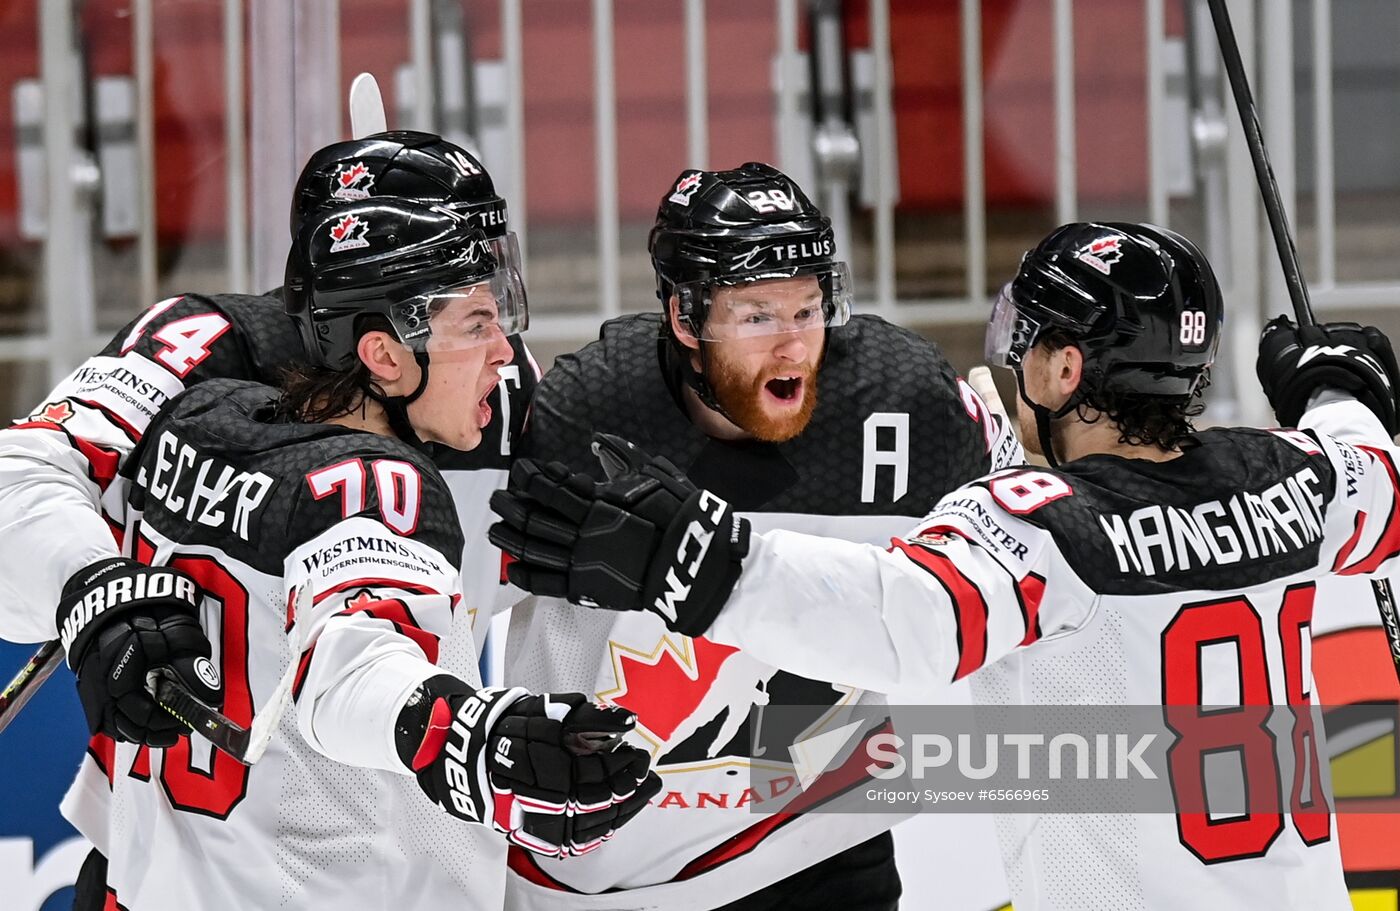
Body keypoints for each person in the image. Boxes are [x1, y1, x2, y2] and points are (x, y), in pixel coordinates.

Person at [491, 220, 1400, 909]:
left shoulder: (1047, 529)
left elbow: (902, 622)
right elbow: (1375, 472)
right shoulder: (1301, 478)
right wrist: (1340, 384)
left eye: (1026, 333)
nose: (1008, 352)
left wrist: (691, 559)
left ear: (1063, 369)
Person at [55, 197, 659, 910]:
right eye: (476, 323)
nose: (506, 351)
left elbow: (40, 476)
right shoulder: (379, 480)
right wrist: (459, 735)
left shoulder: (188, 418)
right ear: (381, 352)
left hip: (140, 881)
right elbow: (350, 664)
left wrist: (88, 586)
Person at [0, 131, 540, 907]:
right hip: (184, 867)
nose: (502, 342)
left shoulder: (487, 384)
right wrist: (91, 585)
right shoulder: (202, 348)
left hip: (397, 861)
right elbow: (23, 472)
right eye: (469, 298)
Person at [495, 162, 1022, 909]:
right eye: (757, 315)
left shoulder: (908, 408)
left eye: (808, 309)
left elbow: (1029, 551)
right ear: (684, 319)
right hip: (613, 871)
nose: (792, 346)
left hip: (822, 835)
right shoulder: (589, 414)